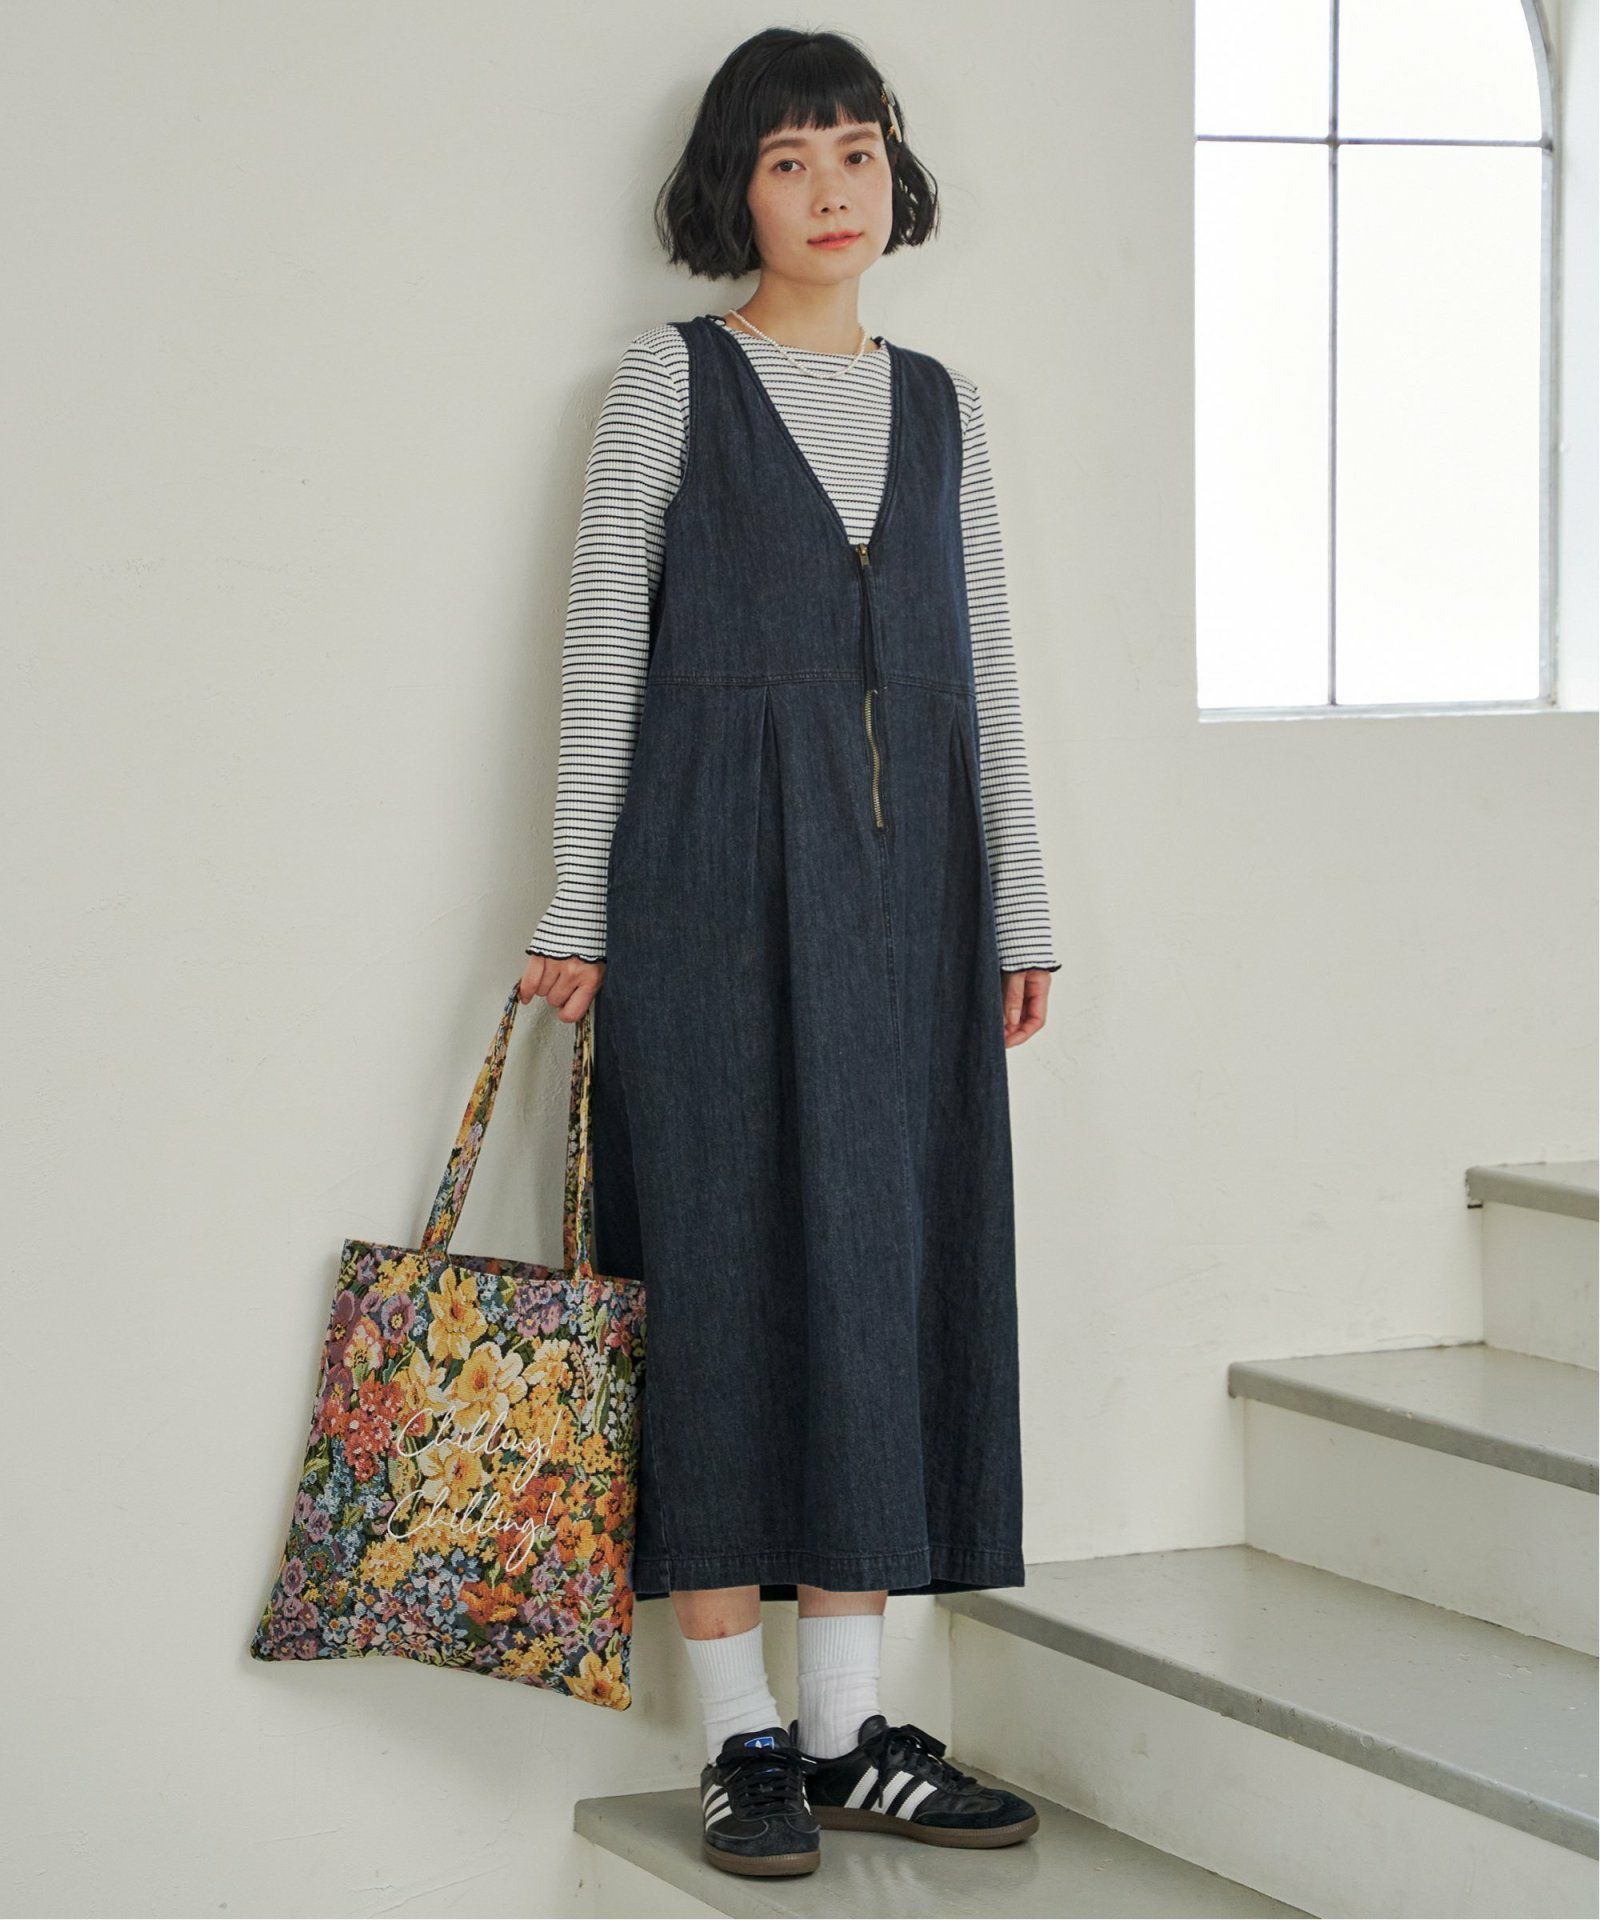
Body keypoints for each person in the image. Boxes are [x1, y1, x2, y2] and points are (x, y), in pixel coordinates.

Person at [519, 27, 1058, 1878]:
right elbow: (603, 650)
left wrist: (1023, 907)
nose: (833, 191)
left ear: (897, 174)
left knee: (883, 1280)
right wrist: (578, 905)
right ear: (731, 190)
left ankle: (848, 1733)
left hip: (911, 909)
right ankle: (741, 1738)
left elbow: (983, 676)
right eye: (789, 160)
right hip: (702, 890)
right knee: (718, 1274)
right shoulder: (666, 387)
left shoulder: (945, 408)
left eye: (858, 153)